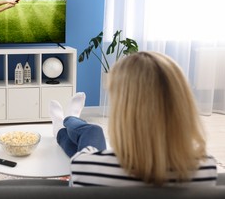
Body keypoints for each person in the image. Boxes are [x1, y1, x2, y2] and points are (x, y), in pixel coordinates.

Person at [49, 51, 218, 187]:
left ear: (124, 113)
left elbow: (82, 166)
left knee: (93, 131)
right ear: (182, 106)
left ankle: (65, 122)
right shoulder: (207, 168)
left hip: (92, 163)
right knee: (92, 131)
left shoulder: (85, 166)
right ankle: (68, 120)